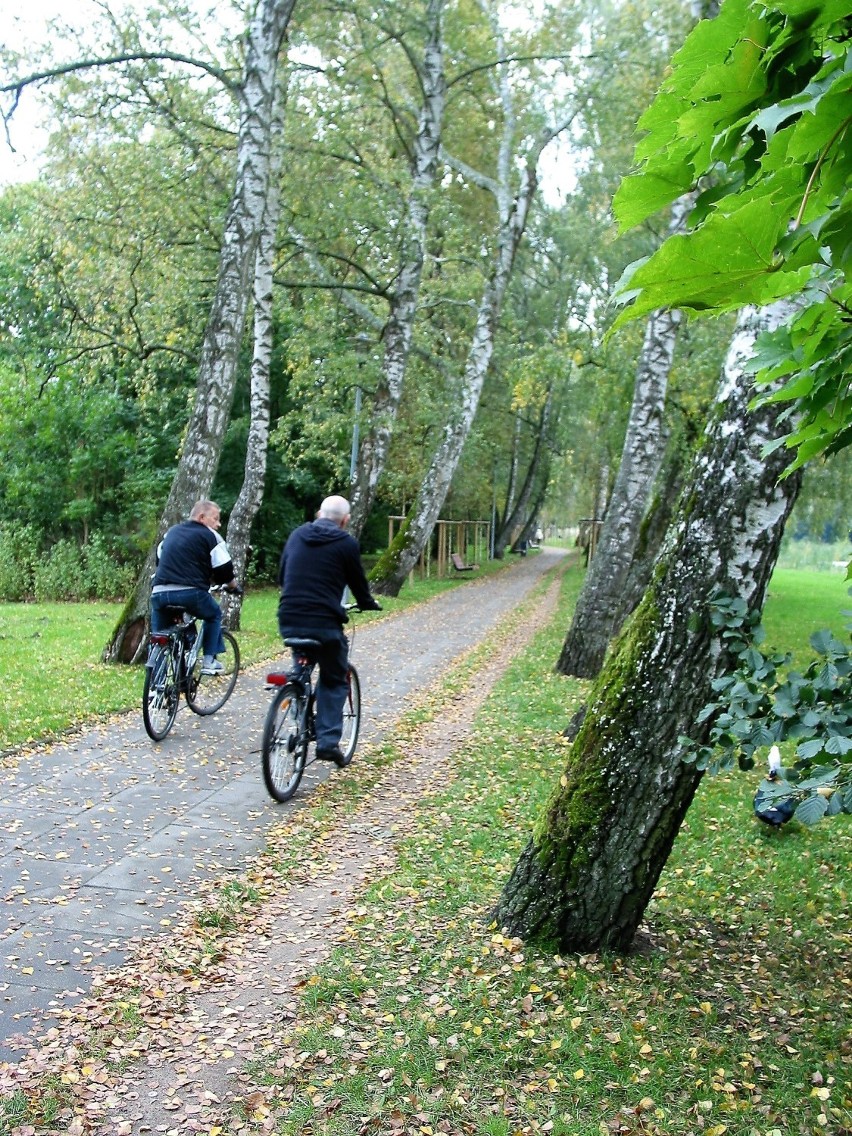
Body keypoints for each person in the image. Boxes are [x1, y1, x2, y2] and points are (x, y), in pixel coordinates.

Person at [277, 494, 381, 763]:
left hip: (289, 616)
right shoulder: (346, 543)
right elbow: (357, 582)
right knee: (335, 677)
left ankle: (296, 701)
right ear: (345, 520)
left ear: (318, 513)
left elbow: (282, 574)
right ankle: (327, 740)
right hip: (324, 623)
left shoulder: (297, 535)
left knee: (301, 664)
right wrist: (367, 603)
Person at [150, 500, 241, 674]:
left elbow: (159, 559)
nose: (218, 524)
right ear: (201, 517)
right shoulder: (210, 536)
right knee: (213, 614)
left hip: (159, 592)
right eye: (215, 519)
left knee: (159, 636)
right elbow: (224, 569)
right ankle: (209, 661)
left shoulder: (171, 532)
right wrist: (233, 586)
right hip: (190, 593)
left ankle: (155, 690)